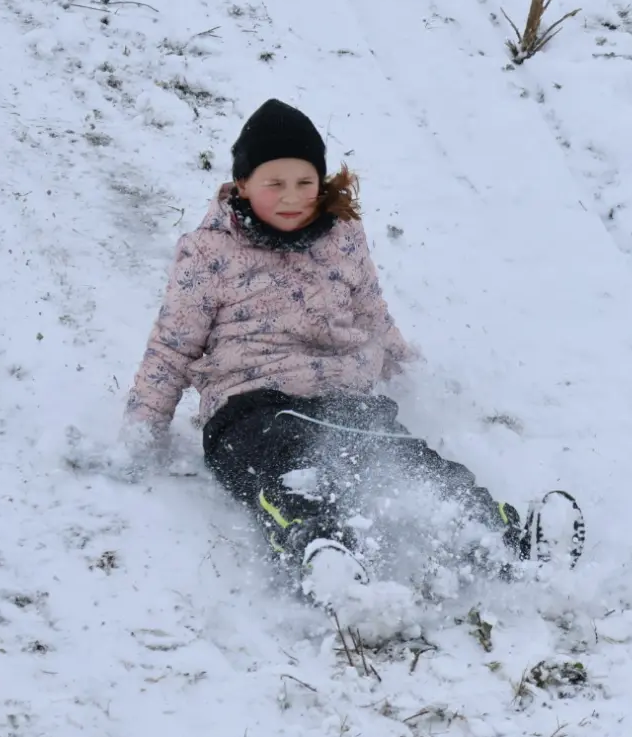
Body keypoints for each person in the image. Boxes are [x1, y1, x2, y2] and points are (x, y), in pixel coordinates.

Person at [122, 99, 540, 597]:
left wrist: (406, 372)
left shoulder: (342, 236)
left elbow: (370, 312)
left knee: (410, 460)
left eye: (305, 183)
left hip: (343, 399)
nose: (292, 197)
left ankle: (497, 535)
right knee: (288, 472)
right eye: (274, 184)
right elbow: (172, 348)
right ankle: (319, 550)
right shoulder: (209, 253)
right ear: (242, 185)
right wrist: (143, 429)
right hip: (248, 406)